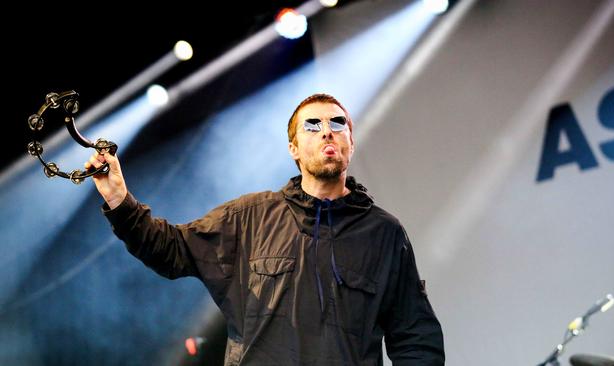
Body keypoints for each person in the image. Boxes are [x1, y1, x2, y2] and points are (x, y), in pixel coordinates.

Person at [86, 94, 444, 365]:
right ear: (294, 149)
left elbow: (415, 338)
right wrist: (119, 199)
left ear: (351, 142)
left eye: (338, 124)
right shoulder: (249, 217)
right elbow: (170, 249)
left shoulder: (384, 234)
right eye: (312, 125)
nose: (326, 133)